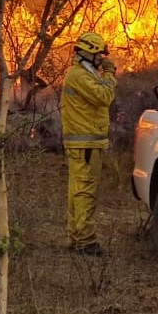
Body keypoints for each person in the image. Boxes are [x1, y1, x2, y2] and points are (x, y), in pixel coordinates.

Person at [60, 31, 117, 256]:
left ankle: (77, 235)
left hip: (85, 143)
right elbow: (104, 96)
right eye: (99, 54)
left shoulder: (84, 73)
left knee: (78, 190)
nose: (101, 58)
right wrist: (110, 73)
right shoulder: (79, 76)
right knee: (85, 191)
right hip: (85, 144)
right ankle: (85, 241)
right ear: (89, 53)